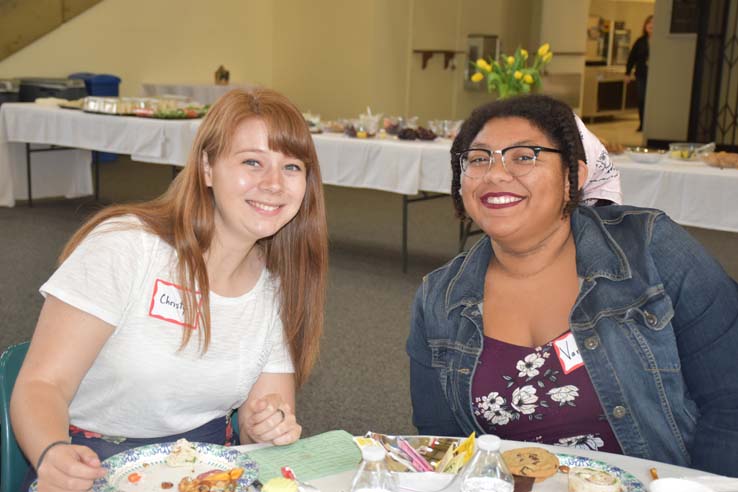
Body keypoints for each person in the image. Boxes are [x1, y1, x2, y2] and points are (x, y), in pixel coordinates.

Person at [11, 87, 329, 491]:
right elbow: (42, 384)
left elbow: (259, 428)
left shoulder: (273, 289)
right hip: (93, 466)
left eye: (291, 167)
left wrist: (263, 425)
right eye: (253, 162)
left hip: (210, 473)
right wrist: (52, 452)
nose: (273, 184)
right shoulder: (126, 247)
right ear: (207, 168)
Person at [406, 94, 738, 477]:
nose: (495, 174)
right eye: (478, 159)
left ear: (574, 177)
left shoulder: (649, 249)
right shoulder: (440, 299)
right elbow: (443, 443)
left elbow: (730, 400)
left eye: (523, 156)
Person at [626, 15, 653, 132]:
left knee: (651, 101)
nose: (651, 25)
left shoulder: (661, 42)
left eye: (654, 23)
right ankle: (642, 123)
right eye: (649, 23)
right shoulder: (640, 41)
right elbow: (632, 58)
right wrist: (627, 73)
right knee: (641, 99)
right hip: (641, 74)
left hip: (655, 76)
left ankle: (650, 123)